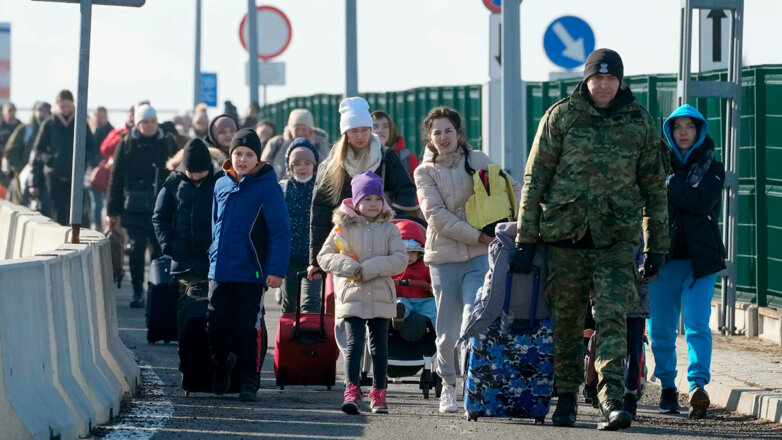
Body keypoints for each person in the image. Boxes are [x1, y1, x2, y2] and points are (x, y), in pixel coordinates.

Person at [511, 48, 669, 430]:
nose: (603, 86)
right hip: (565, 238)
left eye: (611, 79)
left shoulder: (640, 122)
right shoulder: (560, 117)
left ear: (620, 81)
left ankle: (612, 398)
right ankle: (565, 397)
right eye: (597, 79)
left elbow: (654, 189)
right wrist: (525, 238)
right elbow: (535, 180)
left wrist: (657, 245)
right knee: (567, 323)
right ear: (585, 80)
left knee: (613, 318)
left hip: (615, 241)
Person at [414, 105, 520, 414]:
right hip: (444, 259)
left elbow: (508, 188)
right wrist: (478, 236)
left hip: (479, 257)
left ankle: (475, 384)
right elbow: (437, 217)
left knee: (474, 318)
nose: (443, 137)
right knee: (446, 332)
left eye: (449, 131)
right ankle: (448, 384)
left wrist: (527, 210)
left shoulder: (478, 160)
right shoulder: (424, 172)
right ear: (430, 138)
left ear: (459, 133)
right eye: (437, 133)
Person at [647, 104, 726, 419]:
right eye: (677, 126)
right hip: (662, 260)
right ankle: (668, 386)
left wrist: (669, 185)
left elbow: (700, 202)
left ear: (699, 131)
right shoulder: (653, 166)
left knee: (696, 325)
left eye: (689, 127)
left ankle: (697, 386)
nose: (683, 132)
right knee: (661, 330)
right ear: (668, 131)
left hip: (700, 262)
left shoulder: (713, 167)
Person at [208, 128, 290, 402]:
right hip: (220, 269)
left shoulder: (269, 188)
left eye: (248, 154)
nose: (242, 159)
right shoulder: (221, 184)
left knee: (247, 328)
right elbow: (215, 224)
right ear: (231, 156)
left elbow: (280, 232)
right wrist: (212, 255)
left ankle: (248, 380)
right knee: (216, 325)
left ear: (258, 158)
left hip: (252, 272)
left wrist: (276, 270)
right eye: (238, 154)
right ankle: (221, 364)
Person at [317, 171, 407, 415]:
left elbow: (400, 259)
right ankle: (352, 389)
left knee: (379, 347)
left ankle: (379, 392)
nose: (372, 204)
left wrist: (367, 269)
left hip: (380, 294)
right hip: (352, 294)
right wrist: (349, 267)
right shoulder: (342, 228)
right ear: (356, 201)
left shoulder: (390, 229)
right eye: (366, 199)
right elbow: (324, 256)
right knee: (354, 344)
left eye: (377, 199)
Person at [308, 97, 418, 280]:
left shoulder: (385, 157)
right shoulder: (332, 166)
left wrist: (394, 220)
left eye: (365, 130)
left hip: (380, 242)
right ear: (345, 133)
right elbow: (319, 212)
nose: (360, 136)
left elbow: (406, 189)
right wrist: (316, 260)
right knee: (347, 301)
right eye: (354, 131)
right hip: (345, 247)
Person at [107, 103, 178, 308]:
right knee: (136, 249)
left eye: (152, 121)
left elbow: (178, 172)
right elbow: (116, 177)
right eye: (145, 122)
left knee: (159, 251)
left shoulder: (167, 142)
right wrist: (113, 210)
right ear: (137, 124)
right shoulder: (127, 143)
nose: (149, 125)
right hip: (134, 209)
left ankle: (156, 290)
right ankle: (138, 290)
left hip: (161, 207)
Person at [152, 138, 219, 343]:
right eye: (192, 172)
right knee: (187, 308)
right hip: (184, 261)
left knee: (213, 310)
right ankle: (187, 353)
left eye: (201, 172)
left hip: (214, 260)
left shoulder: (221, 182)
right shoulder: (173, 183)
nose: (197, 176)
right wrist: (169, 245)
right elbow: (160, 217)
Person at [29, 90, 97, 225]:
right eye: (62, 106)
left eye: (68, 106)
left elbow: (91, 147)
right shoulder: (49, 124)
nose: (65, 109)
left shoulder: (80, 123)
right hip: (54, 177)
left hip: (75, 177)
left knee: (77, 213)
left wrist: (82, 161)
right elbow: (38, 150)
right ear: (57, 106)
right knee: (57, 212)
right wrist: (50, 160)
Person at [278, 137, 321, 314]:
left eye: (307, 163)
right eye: (297, 163)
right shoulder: (283, 188)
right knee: (289, 304)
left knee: (311, 303)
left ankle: (311, 338)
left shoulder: (321, 188)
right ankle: (289, 339)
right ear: (290, 167)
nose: (302, 168)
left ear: (315, 165)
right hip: (290, 257)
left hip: (314, 257)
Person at [262, 108, 331, 180]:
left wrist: (312, 147)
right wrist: (286, 144)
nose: (300, 133)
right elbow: (263, 168)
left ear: (310, 130)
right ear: (290, 129)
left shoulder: (320, 143)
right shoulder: (276, 143)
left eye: (304, 129)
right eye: (297, 129)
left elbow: (326, 169)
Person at [390, 219, 435, 328]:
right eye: (405, 253)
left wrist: (432, 287)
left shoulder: (425, 266)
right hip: (402, 298)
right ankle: (398, 315)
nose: (409, 257)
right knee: (400, 303)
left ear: (419, 252)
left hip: (422, 299)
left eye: (413, 253)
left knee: (434, 307)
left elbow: (432, 280)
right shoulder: (392, 266)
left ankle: (441, 333)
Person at [4, 101, 51, 204]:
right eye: (39, 110)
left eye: (46, 111)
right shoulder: (25, 130)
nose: (42, 114)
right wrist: (21, 170)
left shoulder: (52, 132)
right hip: (22, 181)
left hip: (45, 182)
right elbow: (10, 151)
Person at [87, 106, 114, 230]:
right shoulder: (91, 130)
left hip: (107, 172)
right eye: (98, 116)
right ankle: (97, 225)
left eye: (102, 116)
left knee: (104, 202)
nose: (100, 119)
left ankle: (105, 226)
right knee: (95, 203)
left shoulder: (111, 132)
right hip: (93, 171)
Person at [371, 110, 418, 180]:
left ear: (391, 130)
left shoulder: (408, 158)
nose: (380, 130)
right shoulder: (360, 156)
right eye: (375, 127)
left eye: (385, 126)